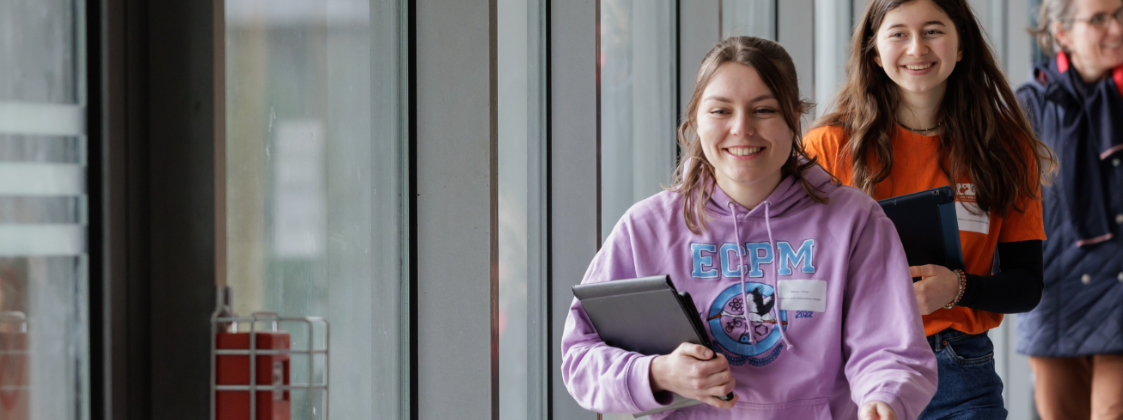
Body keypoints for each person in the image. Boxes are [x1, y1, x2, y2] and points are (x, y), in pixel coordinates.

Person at [560, 36, 937, 420]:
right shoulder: (646, 229)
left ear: (794, 117)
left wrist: (884, 398)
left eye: (763, 110)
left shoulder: (855, 221)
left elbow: (890, 348)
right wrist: (657, 373)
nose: (742, 128)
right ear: (694, 120)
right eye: (721, 111)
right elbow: (581, 355)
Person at [802, 0, 1057, 418]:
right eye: (898, 33)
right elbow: (799, 272)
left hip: (962, 371)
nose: (917, 48)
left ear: (961, 47)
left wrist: (956, 288)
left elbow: (1027, 285)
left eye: (933, 31)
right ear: (874, 51)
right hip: (857, 369)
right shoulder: (829, 147)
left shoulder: (1003, 146)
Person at [1015, 0, 1123, 418]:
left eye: (1119, 16)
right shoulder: (1026, 107)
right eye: (1099, 19)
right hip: (1057, 299)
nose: (1115, 30)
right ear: (1061, 34)